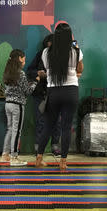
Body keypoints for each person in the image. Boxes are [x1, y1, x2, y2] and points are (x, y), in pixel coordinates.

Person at [35, 23, 84, 170]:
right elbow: (80, 69)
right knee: (66, 127)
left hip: (53, 93)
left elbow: (46, 69)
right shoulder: (76, 52)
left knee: (48, 126)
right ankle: (63, 162)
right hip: (71, 92)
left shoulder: (46, 52)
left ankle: (39, 158)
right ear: (70, 36)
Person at [1, 49, 37, 166]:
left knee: (10, 130)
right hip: (18, 105)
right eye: (24, 58)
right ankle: (14, 157)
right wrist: (35, 82)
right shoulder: (20, 73)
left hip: (8, 104)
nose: (25, 61)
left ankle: (5, 155)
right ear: (20, 58)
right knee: (17, 131)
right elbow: (27, 91)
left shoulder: (7, 72)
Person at [27, 34, 61, 157]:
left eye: (51, 44)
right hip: (40, 93)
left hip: (55, 93)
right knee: (40, 121)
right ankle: (38, 147)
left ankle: (55, 146)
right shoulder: (40, 54)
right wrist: (38, 73)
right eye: (47, 44)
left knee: (57, 121)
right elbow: (29, 70)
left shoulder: (60, 56)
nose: (49, 46)